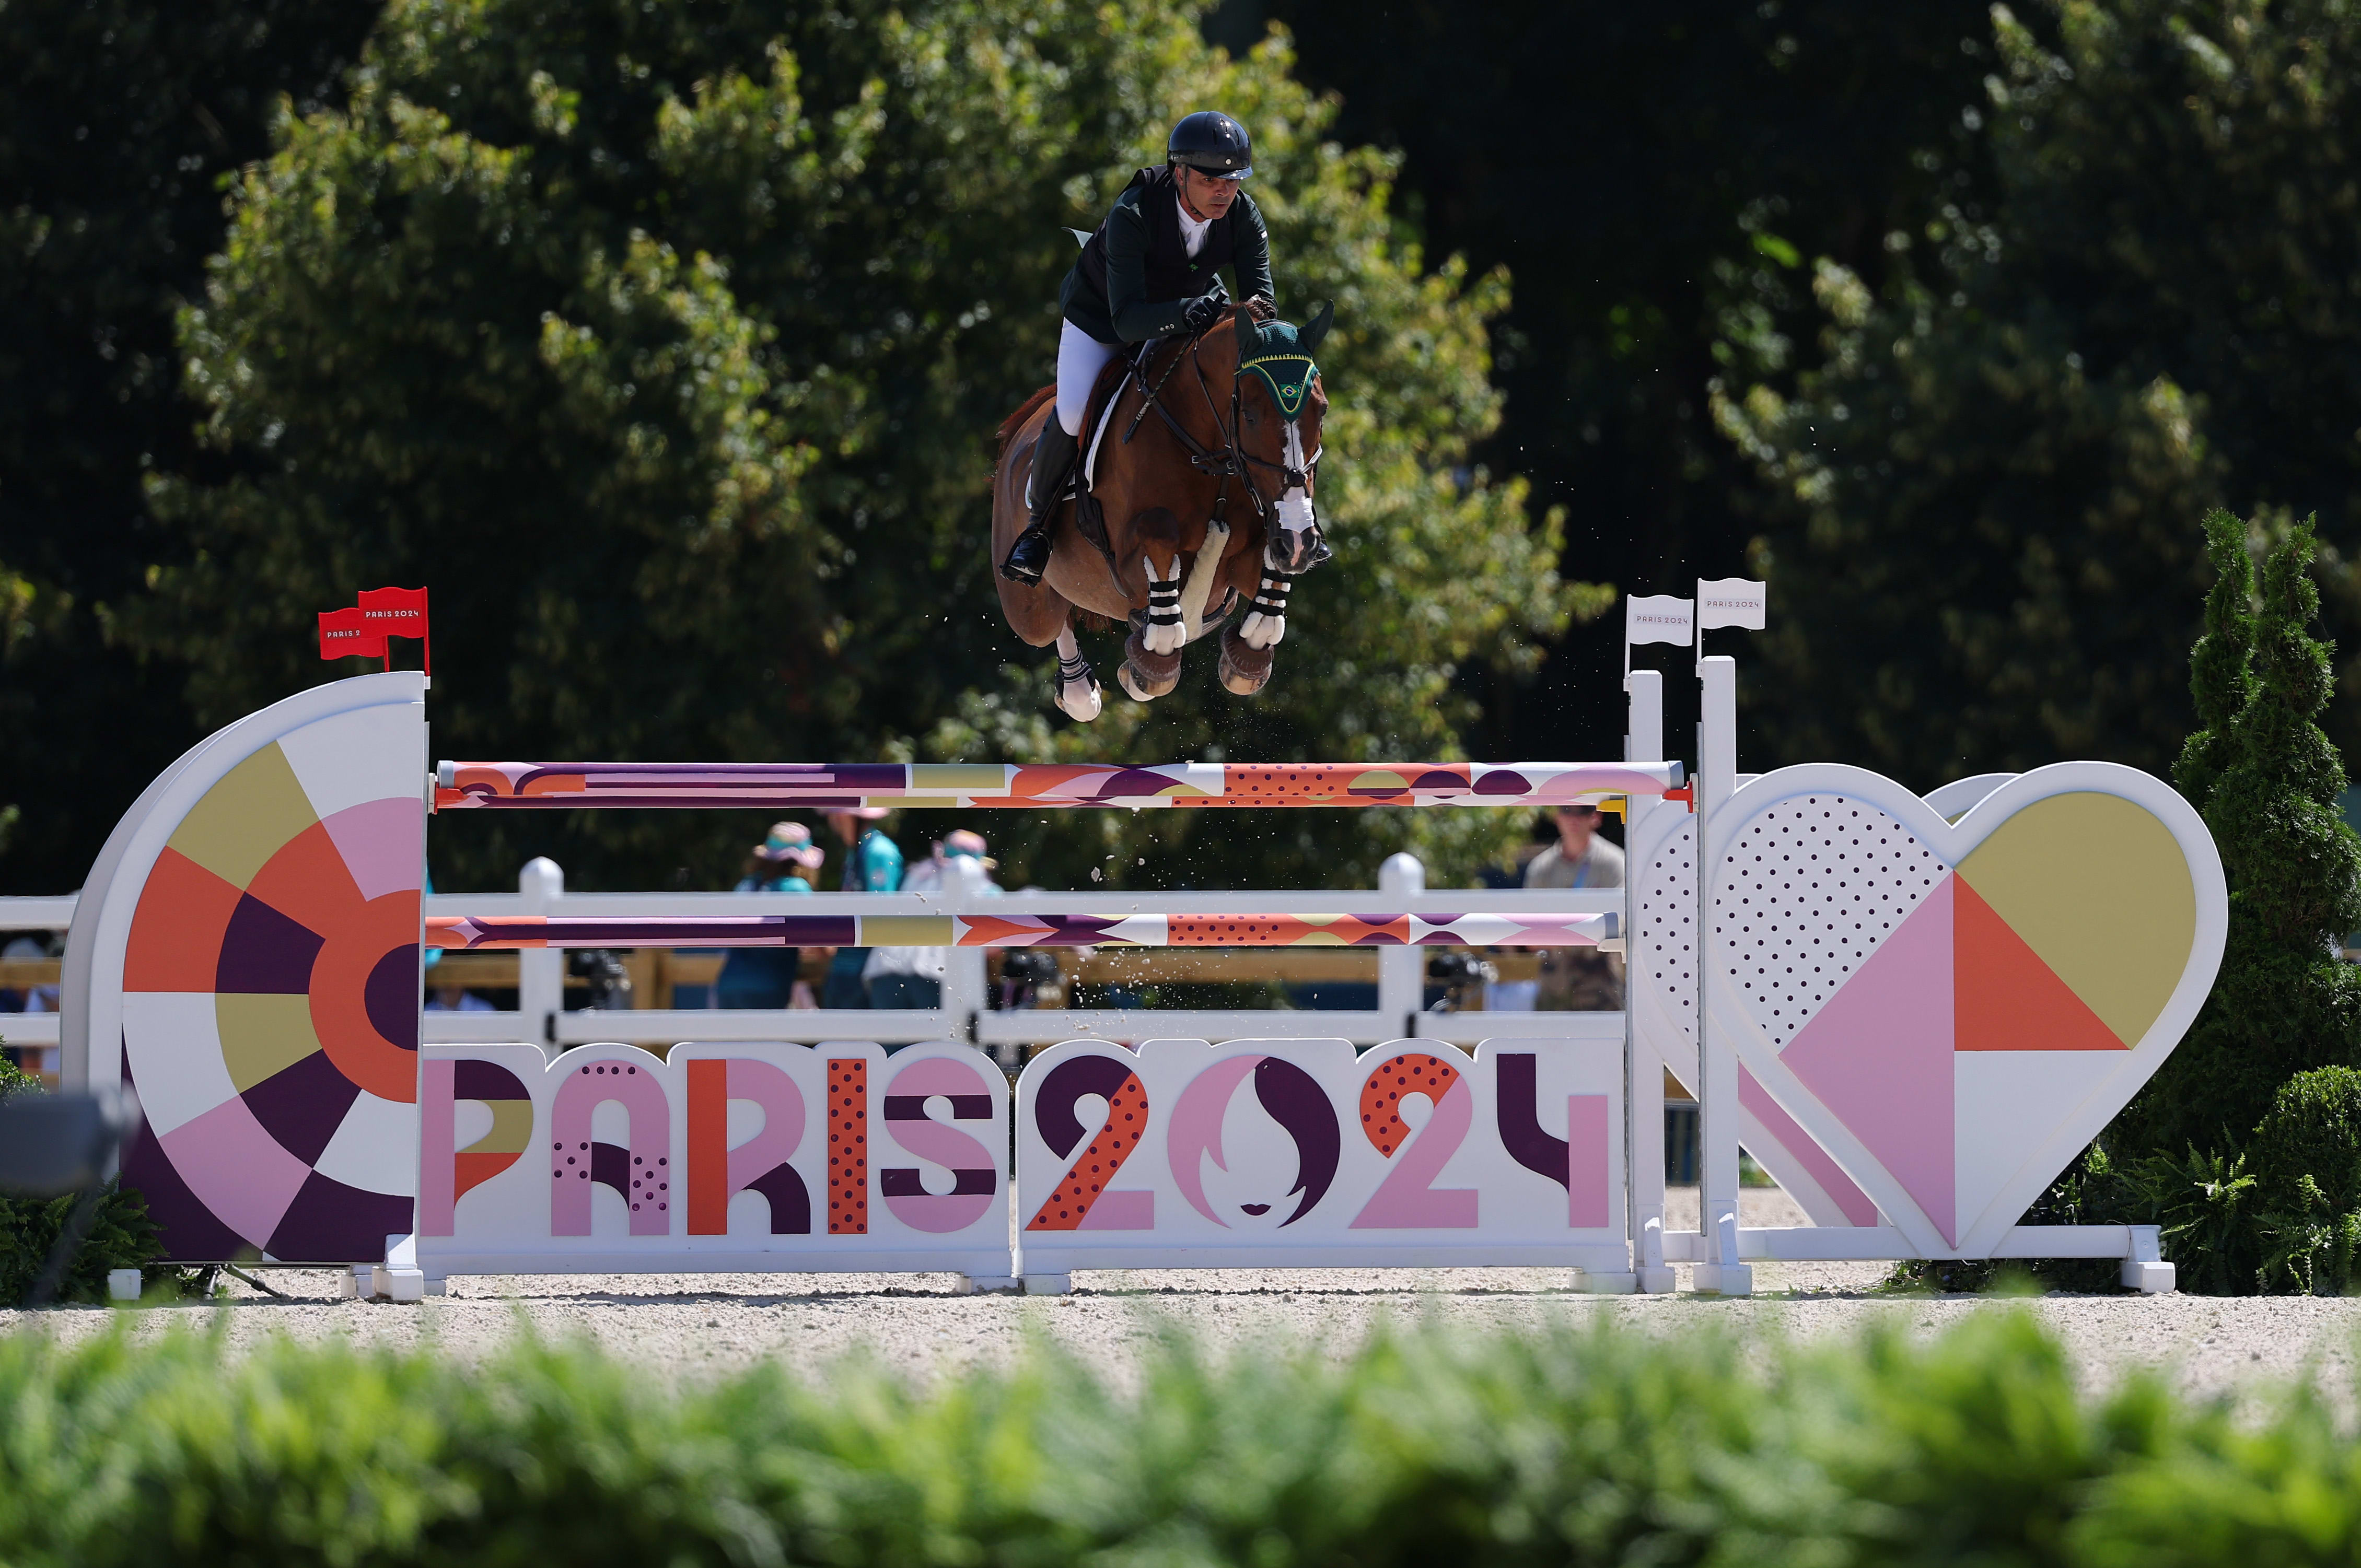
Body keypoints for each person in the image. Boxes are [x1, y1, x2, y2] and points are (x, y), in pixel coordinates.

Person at [999, 109, 1274, 585]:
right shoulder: (1133, 213)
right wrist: (1187, 312)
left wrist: (1248, 322)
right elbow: (1126, 319)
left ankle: (1284, 518)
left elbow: (1263, 303)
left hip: (1187, 312)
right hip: (1103, 319)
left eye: (1232, 180)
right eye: (1211, 179)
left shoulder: (1242, 214)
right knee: (1071, 414)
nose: (1224, 191)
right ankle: (1037, 529)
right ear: (1179, 172)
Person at [865, 829, 1003, 1010]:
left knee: (891, 1036)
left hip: (884, 970)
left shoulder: (917, 875)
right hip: (937, 974)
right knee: (942, 1037)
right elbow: (993, 947)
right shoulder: (985, 888)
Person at [1522, 802, 1627, 1010]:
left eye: (1583, 811)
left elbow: (1621, 925)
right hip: (1557, 975)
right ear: (1556, 816)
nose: (1574, 818)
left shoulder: (1614, 862)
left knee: (1608, 1039)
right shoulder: (1541, 868)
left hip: (1602, 971)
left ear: (1596, 817)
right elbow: (1529, 935)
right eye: (1567, 810)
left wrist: (1557, 930)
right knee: (1551, 1040)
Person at [718, 822, 824, 1010]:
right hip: (768, 988)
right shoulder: (795, 888)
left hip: (728, 985)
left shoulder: (747, 886)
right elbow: (818, 942)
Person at [820, 807, 903, 1009]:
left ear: (843, 816)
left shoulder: (878, 852)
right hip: (846, 965)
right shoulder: (858, 850)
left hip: (866, 968)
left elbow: (882, 912)